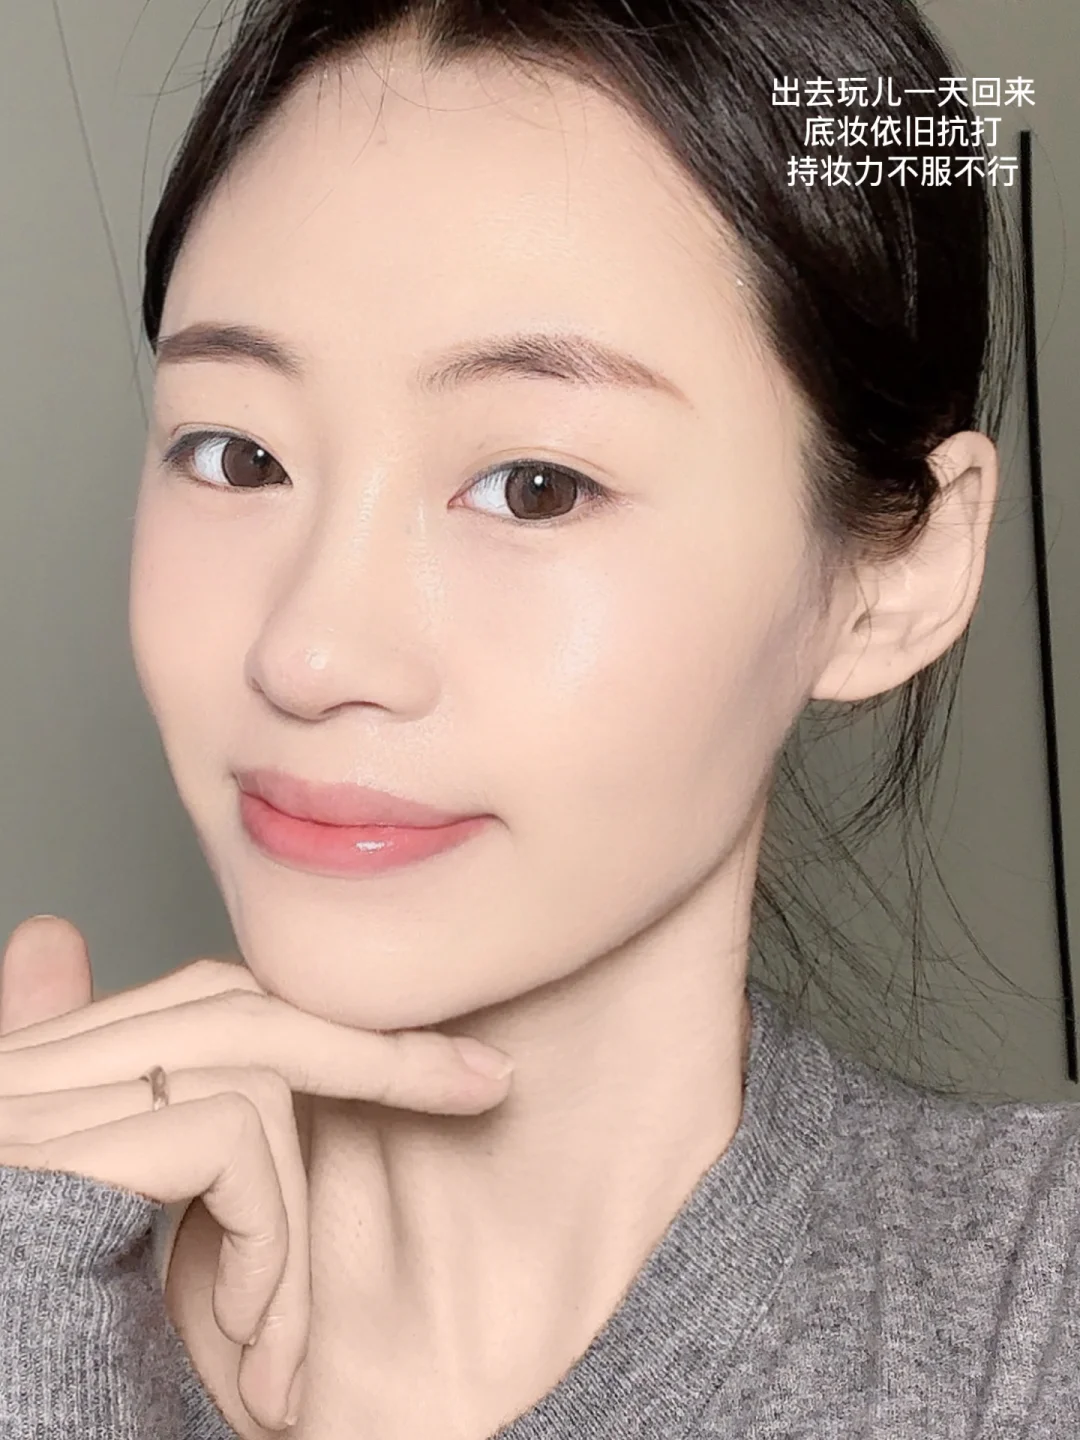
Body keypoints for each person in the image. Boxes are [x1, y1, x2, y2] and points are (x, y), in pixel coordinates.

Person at [1, 1, 1076, 1437]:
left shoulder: (1035, 1321)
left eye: (536, 487)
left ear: (897, 575)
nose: (308, 652)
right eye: (237, 454)